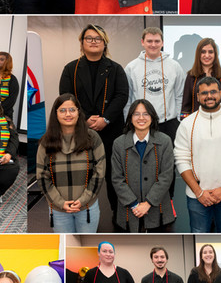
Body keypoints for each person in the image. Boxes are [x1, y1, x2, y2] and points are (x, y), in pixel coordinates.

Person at [59, 25, 129, 223]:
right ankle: (83, 213)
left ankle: (119, 214)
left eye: (98, 38)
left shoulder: (115, 68)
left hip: (111, 129)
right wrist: (85, 118)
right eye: (89, 38)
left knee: (114, 174)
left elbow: (122, 95)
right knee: (84, 174)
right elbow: (66, 98)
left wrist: (105, 119)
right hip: (81, 130)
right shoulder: (70, 69)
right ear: (82, 43)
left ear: (105, 42)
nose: (93, 41)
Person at [174, 76, 221, 232]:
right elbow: (181, 159)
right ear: (197, 97)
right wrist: (199, 192)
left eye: (213, 92)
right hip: (197, 196)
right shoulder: (186, 124)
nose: (209, 96)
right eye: (204, 93)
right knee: (198, 234)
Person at [36, 93, 105, 232]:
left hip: (87, 207)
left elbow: (100, 172)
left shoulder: (92, 137)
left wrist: (83, 200)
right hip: (58, 209)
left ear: (79, 112)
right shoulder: (46, 141)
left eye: (72, 110)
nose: (68, 114)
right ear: (55, 114)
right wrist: (60, 203)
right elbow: (42, 176)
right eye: (62, 110)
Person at [112, 99, 176, 232]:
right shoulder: (119, 143)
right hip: (129, 211)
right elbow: (117, 178)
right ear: (130, 118)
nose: (141, 118)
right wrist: (135, 205)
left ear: (152, 117)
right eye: (136, 114)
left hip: (158, 210)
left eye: (146, 114)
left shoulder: (164, 141)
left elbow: (167, 176)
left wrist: (147, 203)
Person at [124, 27, 184, 147]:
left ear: (162, 43)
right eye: (149, 41)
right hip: (141, 123)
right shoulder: (131, 67)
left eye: (157, 41)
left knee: (168, 161)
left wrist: (177, 120)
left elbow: (179, 95)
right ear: (142, 42)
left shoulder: (175, 66)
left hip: (169, 124)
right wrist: (128, 122)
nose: (153, 45)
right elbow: (128, 98)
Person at [181, 38, 221, 117]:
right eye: (203, 52)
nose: (207, 55)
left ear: (215, 54)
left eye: (210, 52)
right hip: (197, 123)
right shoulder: (191, 75)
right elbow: (186, 106)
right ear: (198, 54)